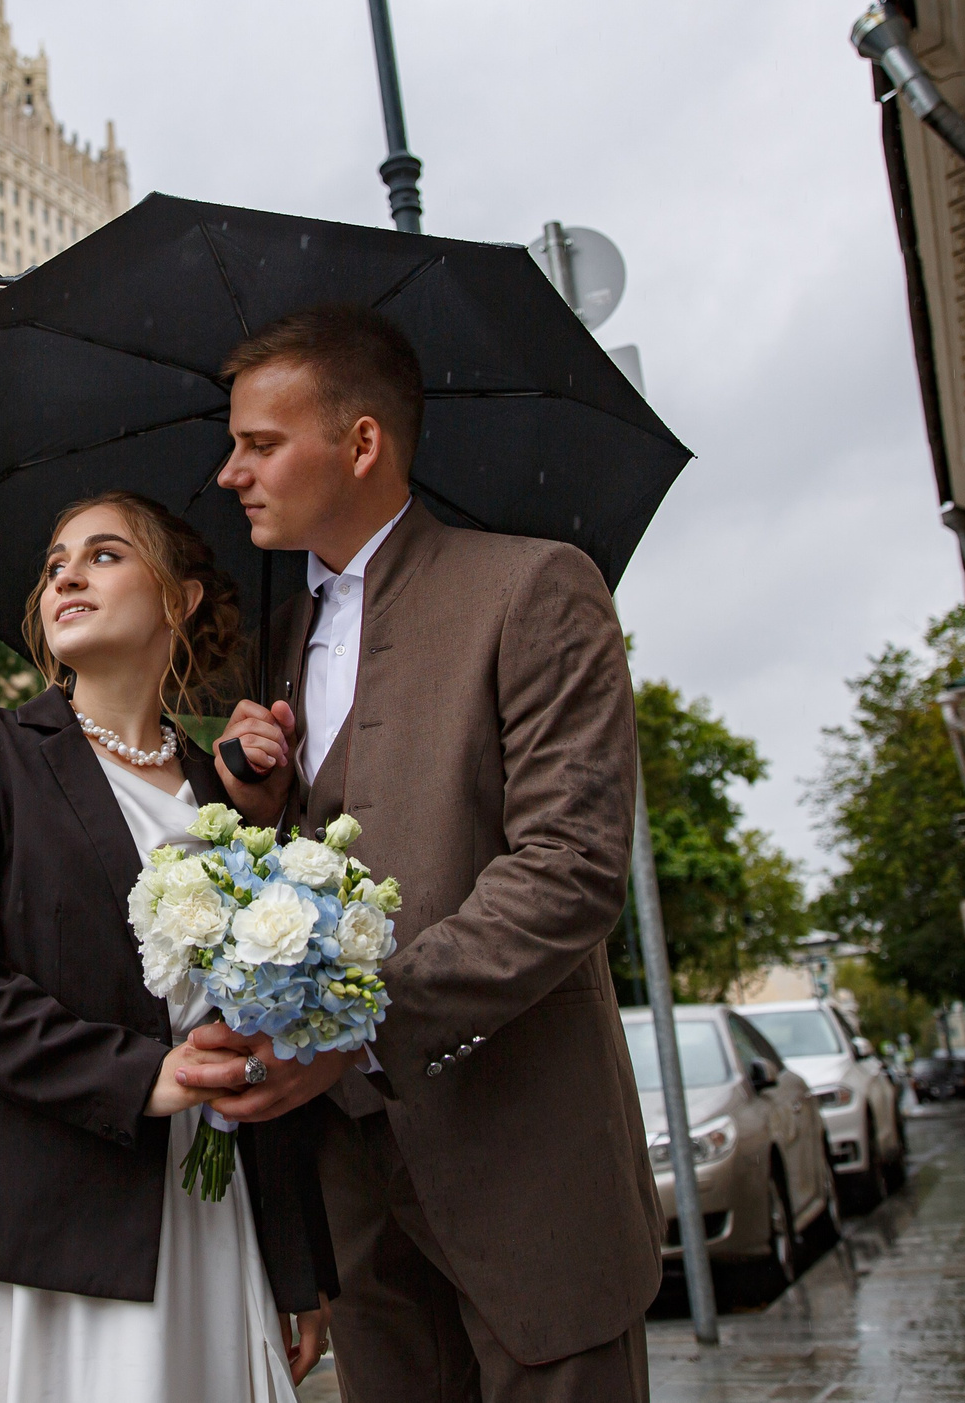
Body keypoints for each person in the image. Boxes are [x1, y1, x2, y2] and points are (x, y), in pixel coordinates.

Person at [181, 304, 663, 1403]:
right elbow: (296, 887)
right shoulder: (275, 649)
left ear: (359, 444)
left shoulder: (533, 588)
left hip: (524, 1161)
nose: (228, 474)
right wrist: (252, 799)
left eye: (259, 444)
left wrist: (354, 1035)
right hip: (353, 1191)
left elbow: (568, 873)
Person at [0, 491, 335, 1403]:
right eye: (56, 562)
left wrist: (293, 1263)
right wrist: (142, 1075)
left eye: (105, 555)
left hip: (202, 1222)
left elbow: (261, 1029)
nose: (66, 573)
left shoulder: (225, 799)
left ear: (180, 600)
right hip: (18, 1228)